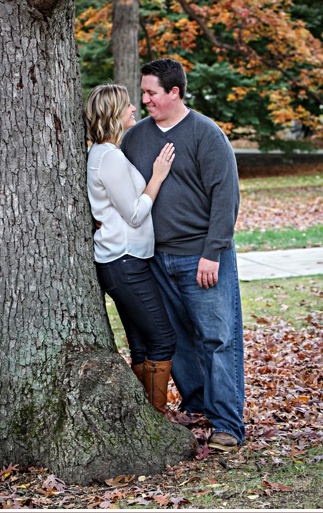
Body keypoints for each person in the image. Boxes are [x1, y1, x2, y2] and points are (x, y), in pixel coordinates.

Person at [121, 58, 245, 450]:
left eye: (151, 93)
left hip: (202, 257)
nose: (145, 100)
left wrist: (213, 252)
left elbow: (226, 198)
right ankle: (195, 408)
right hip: (156, 258)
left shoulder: (207, 135)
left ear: (174, 92)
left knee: (218, 339)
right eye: (143, 93)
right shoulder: (136, 138)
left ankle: (228, 423)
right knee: (178, 340)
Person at [85, 83, 178, 414]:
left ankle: (146, 417)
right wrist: (158, 175)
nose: (134, 110)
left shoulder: (104, 154)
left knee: (142, 343)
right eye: (127, 106)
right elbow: (135, 214)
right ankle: (157, 415)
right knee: (164, 338)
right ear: (113, 113)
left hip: (121, 262)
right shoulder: (108, 158)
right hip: (123, 264)